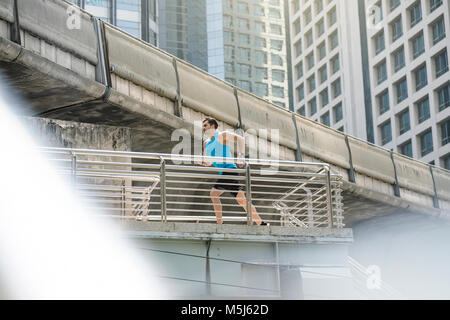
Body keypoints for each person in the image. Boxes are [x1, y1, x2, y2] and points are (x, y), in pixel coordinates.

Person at [200, 117, 268, 226]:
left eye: (205, 126)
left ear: (212, 126)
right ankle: (260, 223)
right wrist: (204, 163)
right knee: (236, 199)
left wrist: (241, 157)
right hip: (223, 173)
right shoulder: (206, 143)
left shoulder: (222, 135)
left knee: (218, 195)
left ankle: (220, 223)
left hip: (230, 170)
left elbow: (241, 139)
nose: (203, 128)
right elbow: (210, 162)